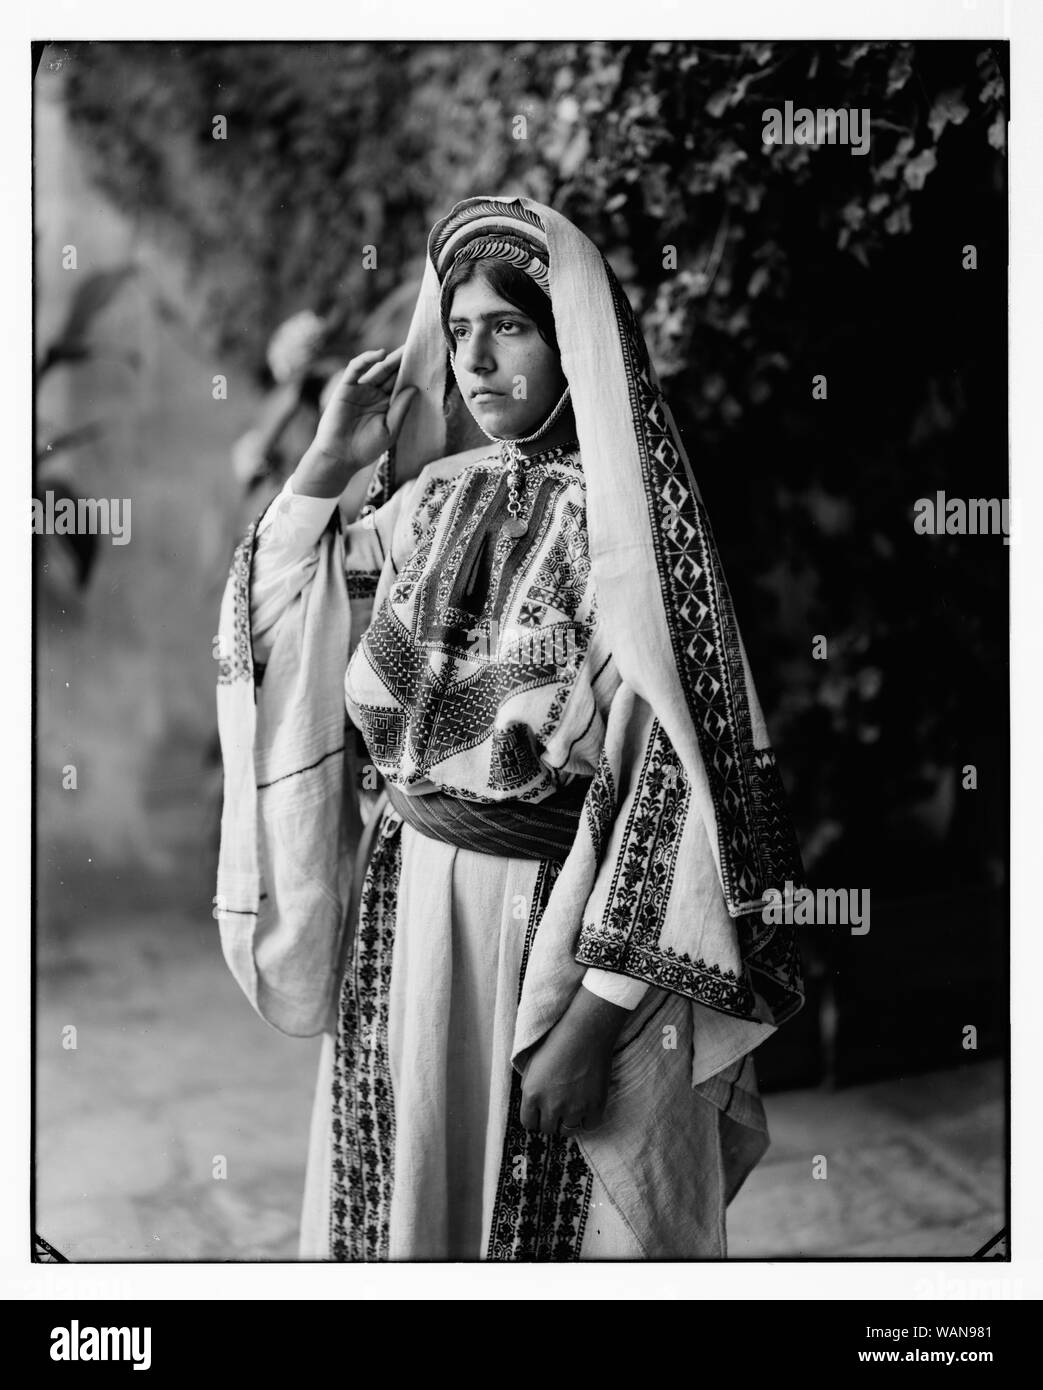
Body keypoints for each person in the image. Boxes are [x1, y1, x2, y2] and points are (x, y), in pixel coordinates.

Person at [215, 195, 805, 1261]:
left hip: (552, 933)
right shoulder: (425, 503)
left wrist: (592, 1019)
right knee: (407, 1201)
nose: (476, 359)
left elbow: (676, 785)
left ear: (570, 338)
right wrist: (320, 466)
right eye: (457, 330)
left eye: (510, 326)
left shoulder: (631, 540)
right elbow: (271, 632)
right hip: (402, 921)